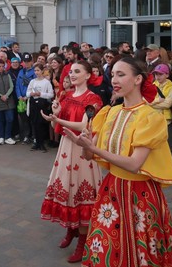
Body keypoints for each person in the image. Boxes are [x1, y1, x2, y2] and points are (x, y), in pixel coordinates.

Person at [62, 57, 172, 267]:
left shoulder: (151, 117)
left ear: (137, 79)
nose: (114, 80)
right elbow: (90, 157)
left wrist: (93, 147)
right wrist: (85, 145)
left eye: (121, 74)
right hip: (112, 189)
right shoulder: (110, 112)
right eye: (113, 74)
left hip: (140, 193)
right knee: (110, 248)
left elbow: (135, 164)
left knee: (142, 250)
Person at [39, 60, 103, 262]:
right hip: (66, 148)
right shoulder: (66, 94)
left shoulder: (93, 99)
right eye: (71, 71)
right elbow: (58, 114)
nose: (73, 75)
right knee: (68, 190)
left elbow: (84, 124)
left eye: (77, 71)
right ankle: (71, 230)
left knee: (81, 193)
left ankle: (83, 242)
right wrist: (56, 110)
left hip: (83, 150)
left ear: (87, 75)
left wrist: (57, 120)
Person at [26, 63, 54, 152]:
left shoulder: (46, 82)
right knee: (34, 122)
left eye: (38, 70)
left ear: (42, 71)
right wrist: (31, 94)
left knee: (41, 123)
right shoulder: (32, 81)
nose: (36, 72)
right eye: (35, 70)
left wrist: (41, 94)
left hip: (42, 103)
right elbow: (27, 92)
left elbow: (51, 94)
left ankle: (42, 143)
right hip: (33, 103)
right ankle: (37, 143)